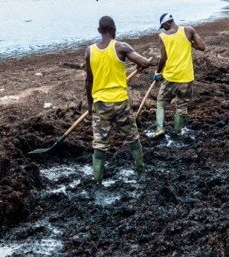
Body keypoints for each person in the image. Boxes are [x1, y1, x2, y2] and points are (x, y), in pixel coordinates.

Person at [85, 16, 153, 184]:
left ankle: (97, 180)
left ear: (99, 31)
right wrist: (142, 65)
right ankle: (140, 169)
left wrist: (89, 104)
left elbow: (89, 81)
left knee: (100, 143)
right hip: (120, 102)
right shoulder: (122, 47)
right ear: (114, 30)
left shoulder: (89, 51)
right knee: (132, 137)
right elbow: (144, 62)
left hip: (100, 104)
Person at [153, 13, 205, 139]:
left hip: (171, 76)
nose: (163, 29)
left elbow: (163, 58)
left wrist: (157, 73)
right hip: (186, 77)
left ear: (167, 23)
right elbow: (201, 47)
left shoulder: (163, 36)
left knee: (161, 102)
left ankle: (160, 128)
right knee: (181, 105)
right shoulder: (189, 30)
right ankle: (178, 132)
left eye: (163, 26)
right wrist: (189, 42)